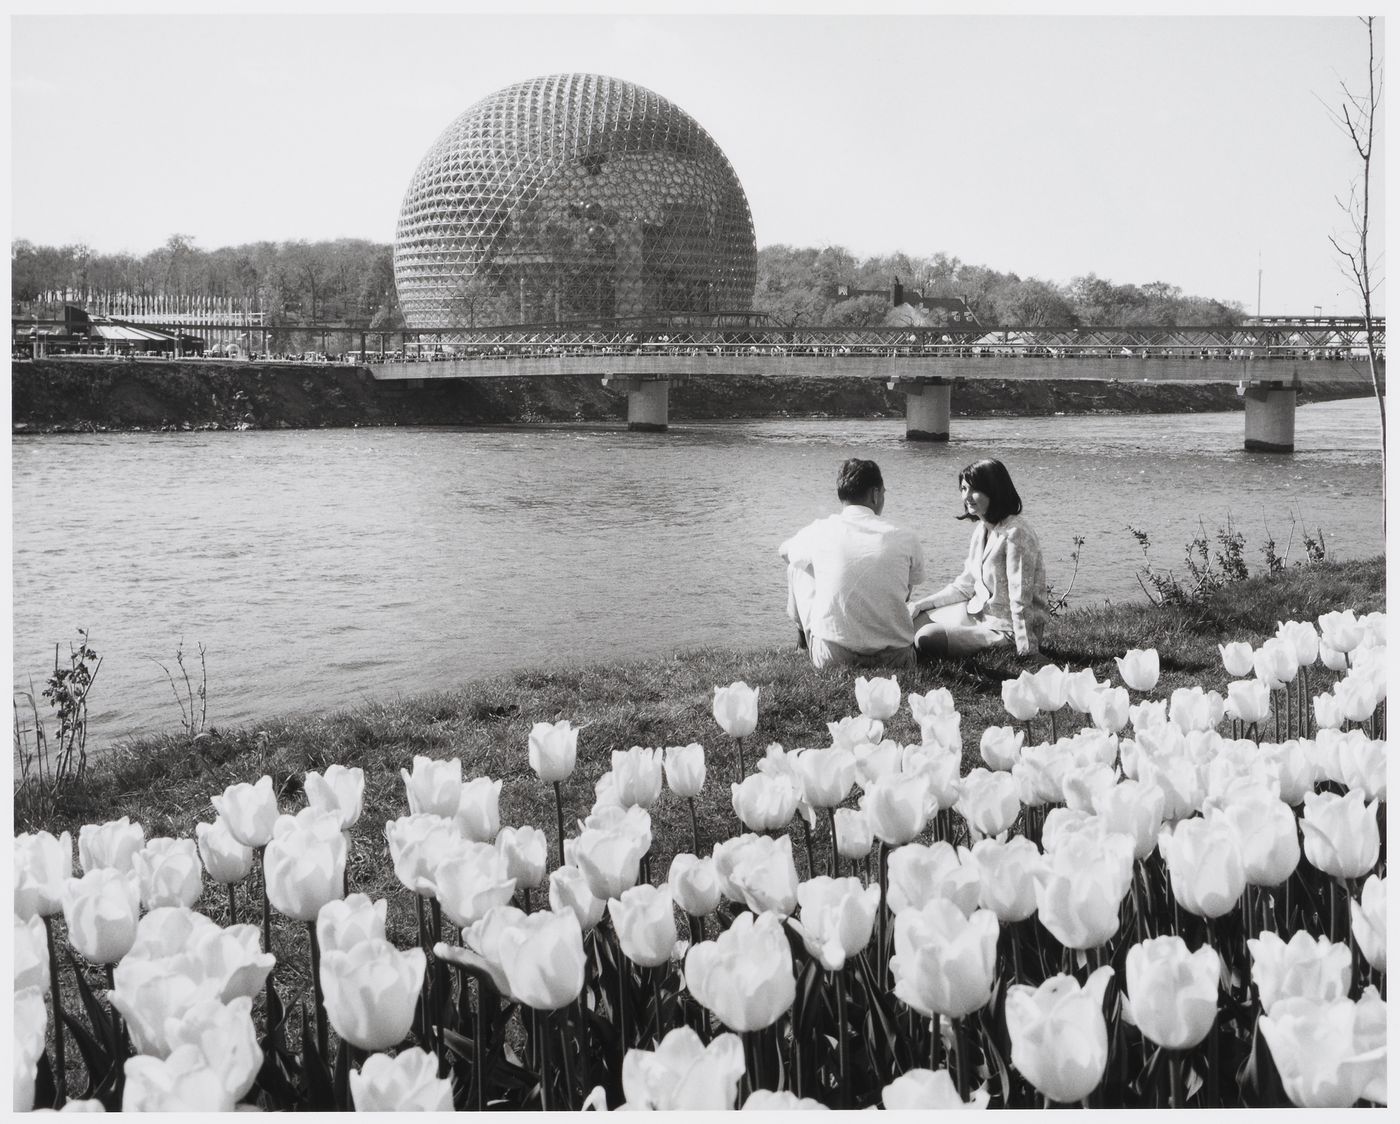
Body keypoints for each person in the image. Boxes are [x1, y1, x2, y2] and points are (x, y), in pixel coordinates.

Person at [781, 458, 926, 670]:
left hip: (834, 658)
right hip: (897, 659)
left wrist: (820, 570)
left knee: (797, 566)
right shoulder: (905, 535)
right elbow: (907, 593)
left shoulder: (821, 530)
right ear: (875, 494)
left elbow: (784, 550)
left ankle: (803, 642)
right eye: (884, 493)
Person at [910, 458, 1048, 659]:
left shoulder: (1016, 533)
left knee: (927, 637)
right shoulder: (982, 529)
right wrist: (920, 604)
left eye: (974, 490)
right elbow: (964, 586)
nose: (967, 496)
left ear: (994, 490)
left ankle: (1012, 646)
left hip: (1007, 629)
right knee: (910, 620)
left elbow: (1021, 598)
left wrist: (1028, 650)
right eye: (963, 489)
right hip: (979, 616)